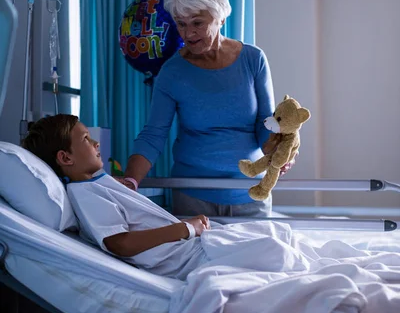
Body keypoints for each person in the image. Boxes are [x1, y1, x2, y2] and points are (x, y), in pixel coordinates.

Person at [22, 114, 307, 280]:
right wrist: (186, 228)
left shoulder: (97, 184)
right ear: (65, 157)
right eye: (85, 139)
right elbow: (118, 243)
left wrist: (121, 186)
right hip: (189, 256)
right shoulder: (84, 193)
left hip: (195, 245)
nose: (96, 143)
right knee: (275, 249)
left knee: (277, 234)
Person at [123, 0, 295, 220]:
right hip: (192, 195)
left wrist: (279, 150)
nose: (188, 33)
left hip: (249, 191)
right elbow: (153, 135)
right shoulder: (171, 72)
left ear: (220, 16)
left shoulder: (253, 59)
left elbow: (265, 122)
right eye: (181, 24)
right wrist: (129, 183)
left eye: (197, 23)